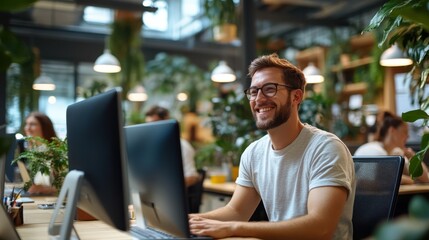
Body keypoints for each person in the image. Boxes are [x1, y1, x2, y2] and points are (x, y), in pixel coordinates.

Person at [189, 53, 356, 239]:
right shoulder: (254, 153)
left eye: (270, 89)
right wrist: (188, 221)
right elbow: (236, 211)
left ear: (296, 97)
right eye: (253, 91)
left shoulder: (326, 148)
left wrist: (234, 228)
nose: (259, 99)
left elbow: (320, 227)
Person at [354, 111, 429, 184]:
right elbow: (384, 179)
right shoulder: (373, 149)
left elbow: (426, 178)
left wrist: (413, 157)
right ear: (392, 130)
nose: (408, 136)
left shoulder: (396, 154)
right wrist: (411, 180)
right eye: (405, 132)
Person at [145, 105, 200, 187]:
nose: (150, 128)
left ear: (166, 122)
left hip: (169, 195)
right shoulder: (148, 147)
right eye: (147, 124)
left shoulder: (182, 146)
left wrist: (168, 187)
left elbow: (191, 177)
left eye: (154, 123)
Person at [21, 112, 58, 195]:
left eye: (33, 124)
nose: (28, 128)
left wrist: (47, 189)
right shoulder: (37, 153)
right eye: (27, 124)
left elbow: (67, 186)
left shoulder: (55, 153)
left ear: (45, 128)